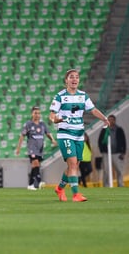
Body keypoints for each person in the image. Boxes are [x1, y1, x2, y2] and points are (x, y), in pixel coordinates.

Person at [49, 69, 109, 202]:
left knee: (75, 165)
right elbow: (52, 114)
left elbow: (92, 110)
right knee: (73, 164)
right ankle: (76, 194)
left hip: (79, 134)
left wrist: (104, 118)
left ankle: (59, 188)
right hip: (65, 133)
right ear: (66, 80)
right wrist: (55, 120)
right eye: (71, 77)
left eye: (76, 77)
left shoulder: (83, 96)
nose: (74, 79)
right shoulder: (60, 96)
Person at [15, 106, 56, 190]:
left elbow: (48, 133)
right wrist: (18, 148)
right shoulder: (28, 124)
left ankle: (30, 184)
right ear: (32, 114)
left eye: (39, 113)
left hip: (40, 149)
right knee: (36, 163)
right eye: (35, 113)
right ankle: (39, 181)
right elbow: (22, 136)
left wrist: (53, 140)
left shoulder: (42, 124)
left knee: (35, 166)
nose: (37, 115)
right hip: (32, 148)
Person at [98, 114, 127, 187]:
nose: (110, 121)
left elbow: (124, 141)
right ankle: (106, 185)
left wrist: (123, 152)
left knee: (119, 170)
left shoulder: (119, 129)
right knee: (106, 170)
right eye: (109, 120)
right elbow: (100, 140)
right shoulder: (104, 129)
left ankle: (120, 185)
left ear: (114, 120)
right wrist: (102, 150)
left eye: (112, 120)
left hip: (117, 153)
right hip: (106, 153)